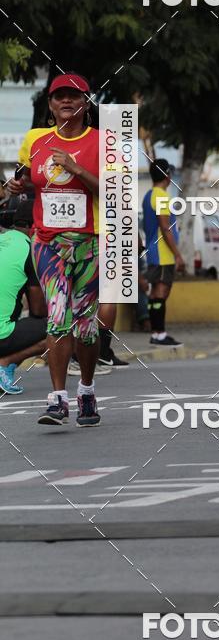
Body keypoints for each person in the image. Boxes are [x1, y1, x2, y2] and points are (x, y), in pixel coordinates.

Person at [8, 73, 102, 426]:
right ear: (50, 105)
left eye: (73, 97)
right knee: (58, 315)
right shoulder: (36, 140)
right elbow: (24, 175)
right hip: (47, 241)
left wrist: (75, 166)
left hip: (92, 241)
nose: (66, 102)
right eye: (59, 97)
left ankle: (87, 391)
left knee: (86, 325)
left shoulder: (103, 142)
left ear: (85, 103)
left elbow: (115, 193)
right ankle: (58, 399)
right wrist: (17, 184)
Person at [0, 199, 47, 394]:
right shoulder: (30, 250)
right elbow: (38, 310)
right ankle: (5, 362)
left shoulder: (3, 239)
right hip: (2, 334)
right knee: (59, 328)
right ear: (33, 226)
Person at [141, 159, 184, 347]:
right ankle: (159, 334)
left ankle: (156, 332)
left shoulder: (149, 195)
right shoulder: (161, 197)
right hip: (163, 253)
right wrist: (178, 254)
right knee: (161, 291)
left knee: (155, 293)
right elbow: (165, 228)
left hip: (153, 251)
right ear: (167, 176)